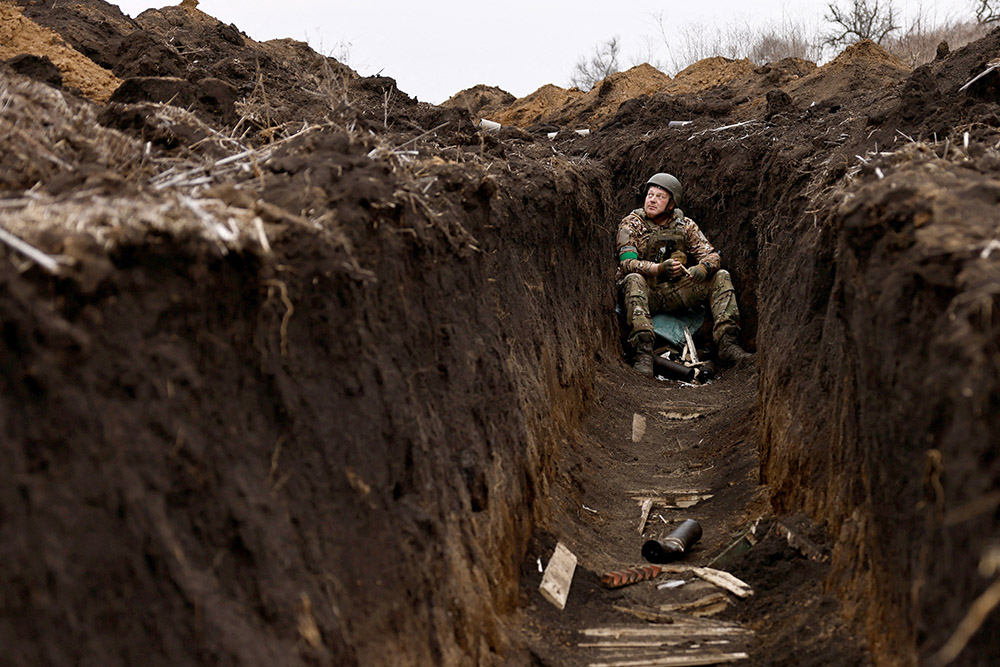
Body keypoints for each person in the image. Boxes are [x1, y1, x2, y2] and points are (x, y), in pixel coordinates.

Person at [616, 172, 754, 377]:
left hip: (675, 290)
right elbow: (627, 263)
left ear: (671, 204)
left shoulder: (685, 225)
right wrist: (658, 268)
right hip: (646, 291)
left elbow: (712, 255)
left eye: (660, 197)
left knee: (721, 276)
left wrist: (703, 268)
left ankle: (727, 344)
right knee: (634, 279)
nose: (652, 200)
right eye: (650, 195)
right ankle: (642, 352)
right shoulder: (632, 223)